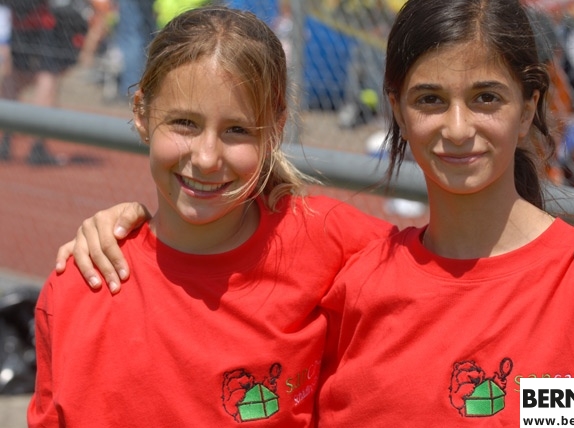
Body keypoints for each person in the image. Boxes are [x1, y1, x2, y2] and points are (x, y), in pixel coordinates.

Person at [28, 6, 395, 426]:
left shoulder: (329, 239)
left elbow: (446, 272)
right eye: (184, 123)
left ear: (275, 129)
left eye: (237, 130)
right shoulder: (80, 287)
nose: (206, 158)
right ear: (141, 113)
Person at [316, 0, 574, 425]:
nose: (457, 129)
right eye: (430, 99)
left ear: (527, 109)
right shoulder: (356, 288)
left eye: (486, 98)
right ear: (398, 111)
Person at [0, 0, 88, 165]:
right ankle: (37, 146)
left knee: (14, 75)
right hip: (42, 20)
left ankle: (5, 141)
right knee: (47, 77)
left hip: (19, 20)